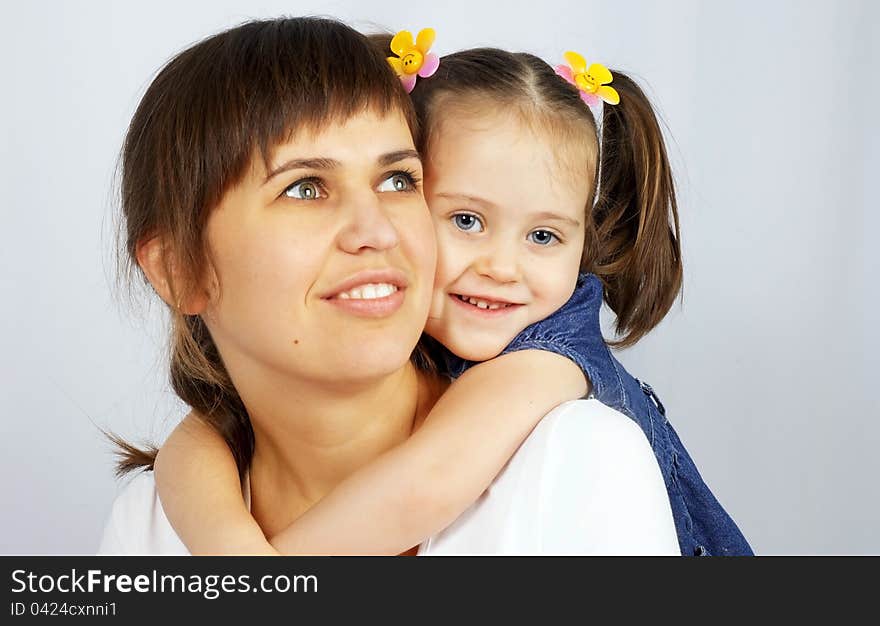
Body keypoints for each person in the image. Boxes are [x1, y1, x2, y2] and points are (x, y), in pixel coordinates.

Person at [96, 17, 704, 557]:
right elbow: (194, 439)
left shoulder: (576, 457)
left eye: (396, 180)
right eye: (305, 187)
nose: (376, 230)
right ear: (181, 270)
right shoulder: (151, 523)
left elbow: (431, 480)